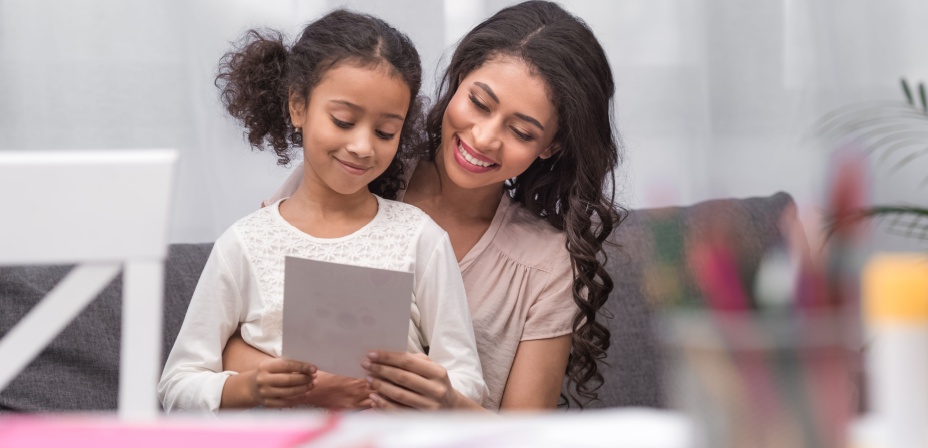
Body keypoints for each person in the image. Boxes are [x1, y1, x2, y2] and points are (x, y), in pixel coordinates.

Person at [224, 0, 622, 411]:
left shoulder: (545, 266)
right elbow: (227, 346)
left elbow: (525, 435)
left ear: (550, 146)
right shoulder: (355, 170)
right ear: (459, 79)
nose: (484, 138)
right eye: (479, 103)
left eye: (521, 131)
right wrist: (309, 385)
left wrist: (449, 405)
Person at [158, 9, 487, 413]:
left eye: (385, 132)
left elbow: (468, 382)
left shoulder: (421, 240)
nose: (363, 147)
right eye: (344, 121)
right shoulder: (244, 245)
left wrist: (424, 393)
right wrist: (251, 388)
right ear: (298, 106)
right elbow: (176, 386)